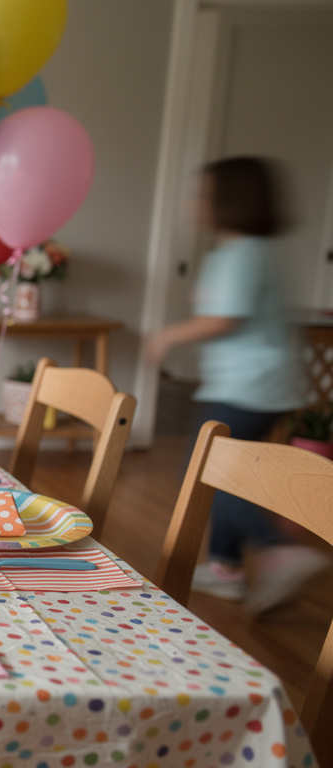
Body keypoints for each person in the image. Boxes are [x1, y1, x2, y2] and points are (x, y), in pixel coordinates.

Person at [146, 156, 322, 616]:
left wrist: (169, 335)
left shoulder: (240, 254)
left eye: (201, 194)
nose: (192, 203)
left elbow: (225, 318)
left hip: (246, 386)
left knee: (208, 469)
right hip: (266, 386)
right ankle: (226, 567)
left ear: (229, 202)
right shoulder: (259, 252)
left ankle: (275, 547)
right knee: (230, 467)